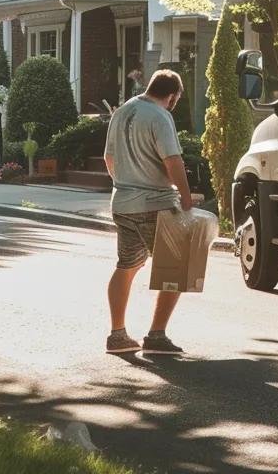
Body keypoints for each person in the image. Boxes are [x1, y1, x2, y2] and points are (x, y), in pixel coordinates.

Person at [103, 68, 192, 355]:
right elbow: (173, 161)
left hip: (123, 202)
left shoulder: (123, 111)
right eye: (176, 98)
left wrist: (123, 183)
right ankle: (156, 335)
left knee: (126, 265)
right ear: (172, 95)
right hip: (154, 204)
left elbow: (109, 157)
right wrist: (187, 199)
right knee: (177, 268)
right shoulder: (160, 116)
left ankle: (117, 335)